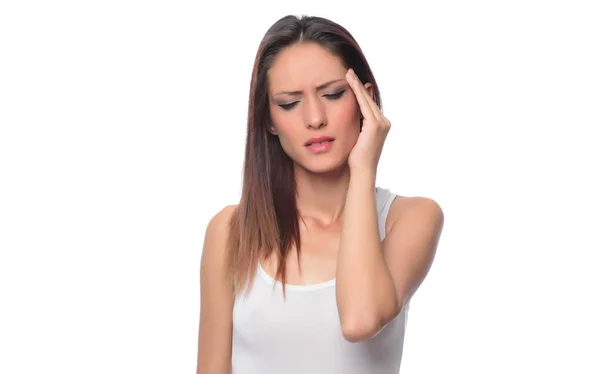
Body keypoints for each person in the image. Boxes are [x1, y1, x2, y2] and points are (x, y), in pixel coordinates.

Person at [196, 14, 444, 374]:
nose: (315, 118)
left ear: (365, 99)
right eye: (289, 103)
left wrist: (363, 169)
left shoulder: (410, 218)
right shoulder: (230, 231)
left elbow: (360, 319)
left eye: (332, 94)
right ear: (268, 119)